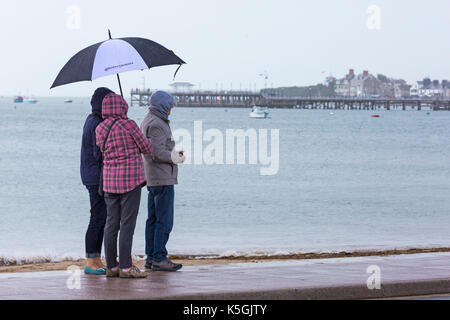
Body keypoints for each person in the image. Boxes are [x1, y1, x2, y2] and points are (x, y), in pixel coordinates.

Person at [96, 93, 153, 279]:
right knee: (127, 224)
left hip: (109, 182)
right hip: (130, 181)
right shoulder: (129, 124)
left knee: (111, 223)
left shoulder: (100, 128)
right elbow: (147, 148)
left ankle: (112, 266)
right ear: (123, 106)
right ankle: (127, 267)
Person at [141, 91, 185, 272]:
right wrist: (176, 157)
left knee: (153, 219)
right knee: (164, 221)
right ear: (162, 105)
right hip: (161, 178)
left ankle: (151, 257)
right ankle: (159, 257)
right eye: (169, 105)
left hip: (154, 178)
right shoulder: (156, 124)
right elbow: (156, 152)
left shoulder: (149, 120)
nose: (171, 109)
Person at [80, 87, 114, 275]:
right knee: (97, 217)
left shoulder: (93, 119)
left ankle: (96, 258)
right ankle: (90, 260)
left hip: (92, 175)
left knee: (101, 217)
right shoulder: (96, 123)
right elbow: (98, 152)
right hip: (95, 177)